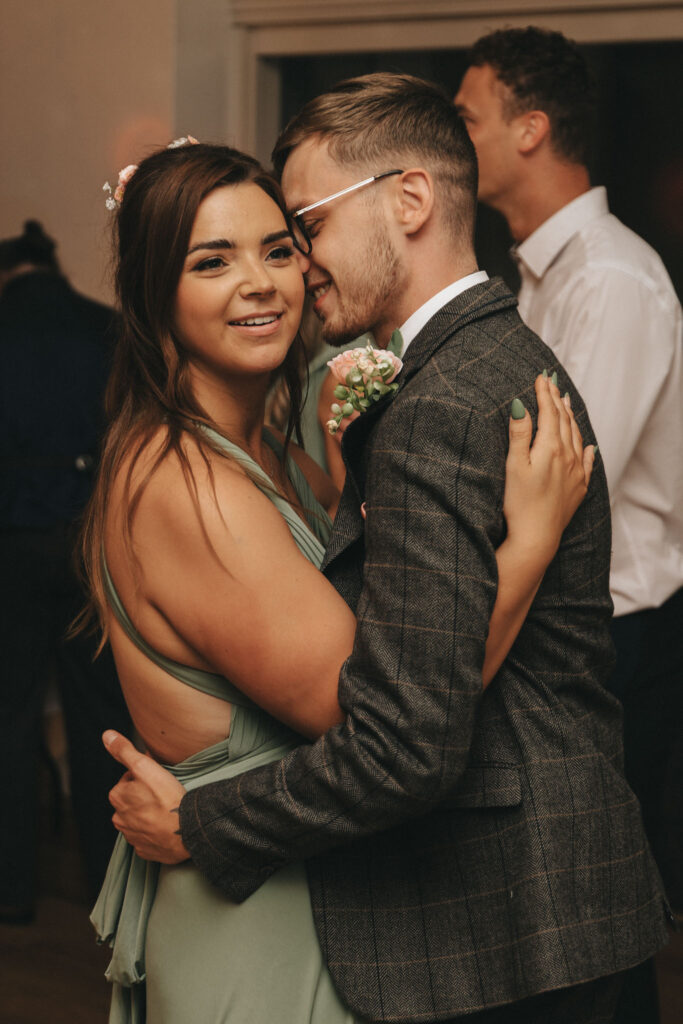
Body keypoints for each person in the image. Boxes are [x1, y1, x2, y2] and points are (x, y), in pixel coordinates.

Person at [102, 75, 668, 1023]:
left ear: (408, 201)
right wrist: (520, 553)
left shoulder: (432, 403)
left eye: (294, 237)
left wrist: (199, 822)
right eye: (212, 261)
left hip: (510, 915)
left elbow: (398, 732)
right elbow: (396, 714)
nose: (285, 274)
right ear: (157, 294)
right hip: (481, 905)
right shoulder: (460, 371)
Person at [455, 29, 683, 1019]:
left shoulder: (609, 279)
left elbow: (561, 479)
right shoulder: (536, 274)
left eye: (465, 118)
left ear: (530, 129)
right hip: (563, 618)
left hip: (615, 637)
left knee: (593, 916)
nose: (452, 135)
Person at [0, 220, 133, 921]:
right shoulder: (103, 326)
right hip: (90, 538)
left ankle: (10, 892)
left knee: (9, 717)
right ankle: (109, 885)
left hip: (11, 543)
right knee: (100, 717)